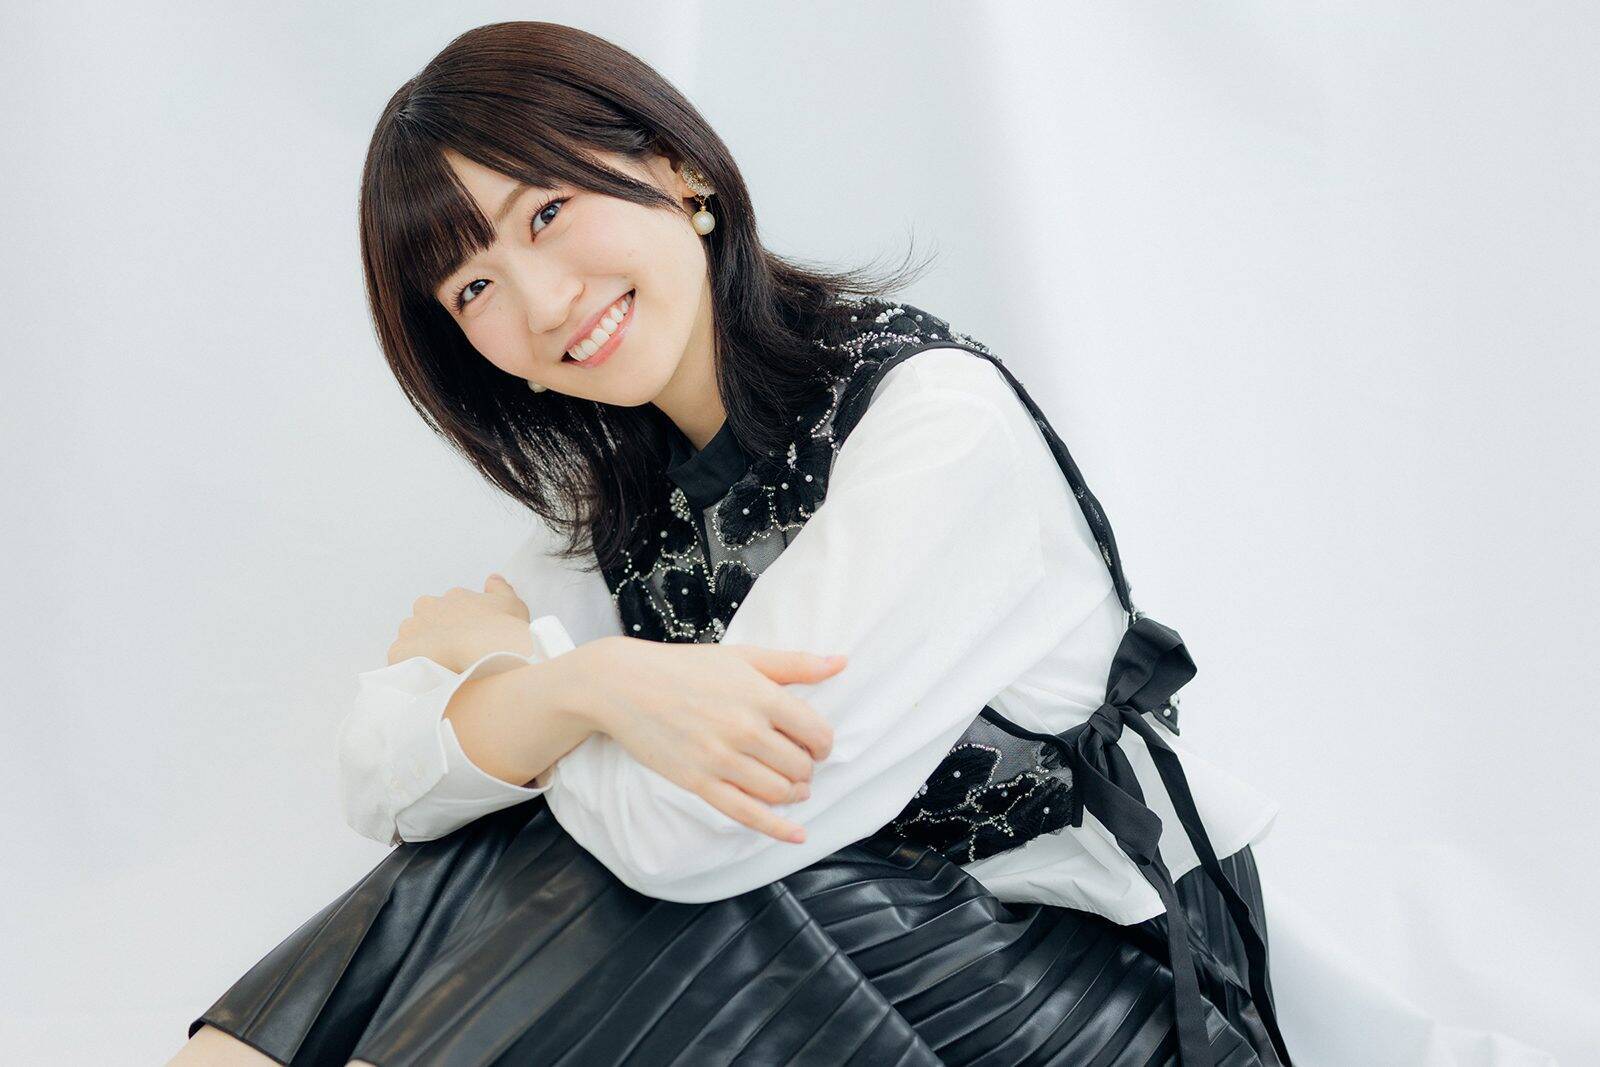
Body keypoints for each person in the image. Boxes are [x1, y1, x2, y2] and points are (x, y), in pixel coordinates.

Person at [171, 20, 1291, 1067]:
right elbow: (386, 776)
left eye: (546, 213)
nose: (544, 301)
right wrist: (583, 686)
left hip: (1109, 1000)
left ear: (678, 172)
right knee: (486, 847)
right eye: (474, 286)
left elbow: (694, 833)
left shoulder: (933, 423)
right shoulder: (614, 519)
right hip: (846, 978)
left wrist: (544, 679)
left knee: (662, 865)